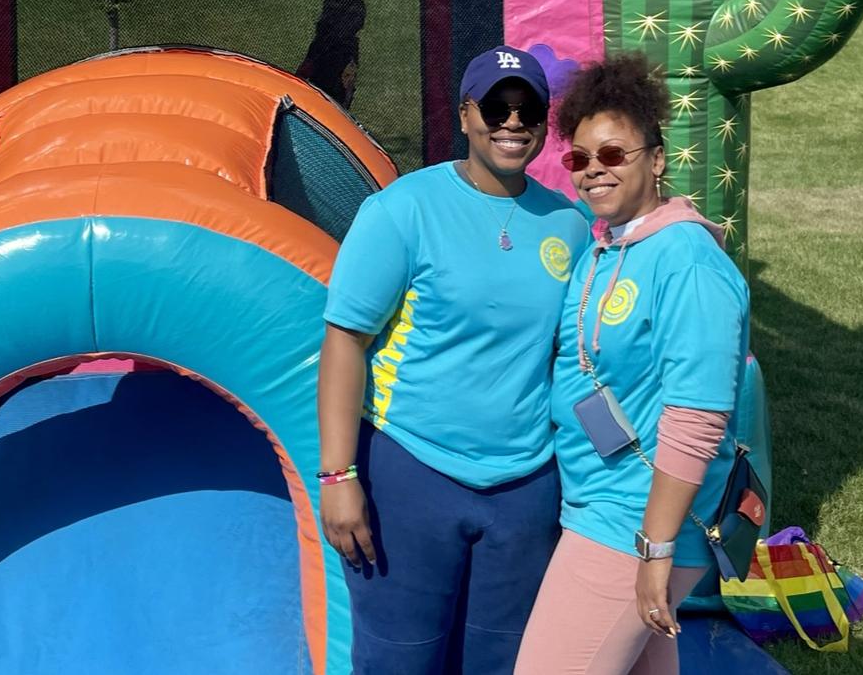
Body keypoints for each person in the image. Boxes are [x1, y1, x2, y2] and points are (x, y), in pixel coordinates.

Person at [318, 45, 593, 675]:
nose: (513, 123)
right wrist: (338, 477)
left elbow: (583, 355)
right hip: (410, 475)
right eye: (496, 107)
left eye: (529, 110)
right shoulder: (402, 210)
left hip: (525, 489)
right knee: (400, 662)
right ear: (466, 114)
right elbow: (344, 342)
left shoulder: (568, 225)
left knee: (503, 661)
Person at [516, 54, 750, 675]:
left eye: (614, 154)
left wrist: (656, 549)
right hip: (605, 508)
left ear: (657, 158)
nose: (594, 171)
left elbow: (696, 417)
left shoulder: (688, 262)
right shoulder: (605, 249)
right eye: (579, 159)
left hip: (635, 524)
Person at [297, 0, 367, 108]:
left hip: (324, 105)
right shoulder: (345, 45)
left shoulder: (327, 43)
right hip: (321, 105)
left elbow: (303, 73)